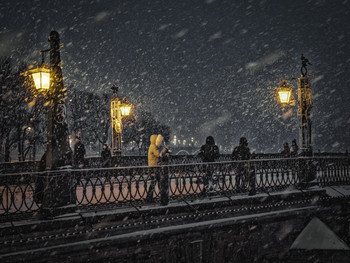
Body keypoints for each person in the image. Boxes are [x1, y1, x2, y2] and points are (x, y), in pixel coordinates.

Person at [147, 134, 169, 202]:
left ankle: (151, 197)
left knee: (155, 183)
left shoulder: (152, 146)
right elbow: (159, 155)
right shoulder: (153, 147)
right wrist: (165, 149)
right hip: (154, 168)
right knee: (157, 182)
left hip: (154, 167)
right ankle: (162, 196)